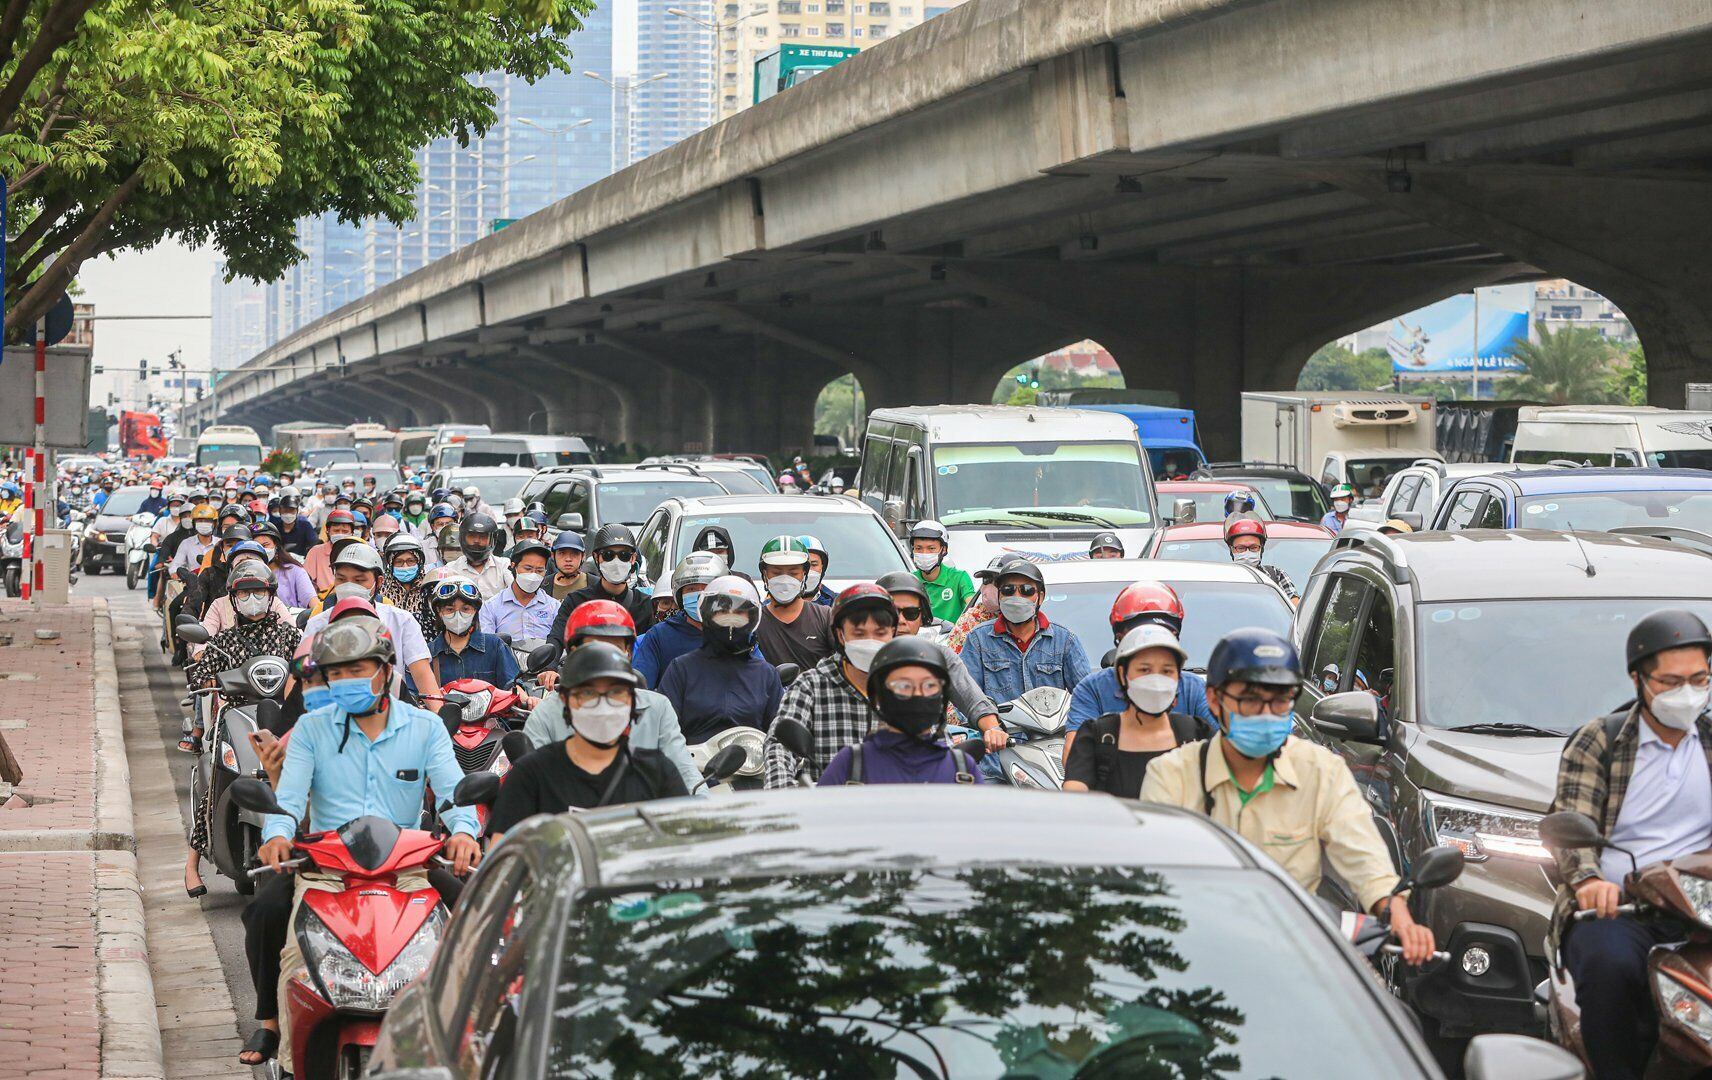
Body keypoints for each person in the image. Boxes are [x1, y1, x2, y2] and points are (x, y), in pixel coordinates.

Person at [247, 616, 480, 1072]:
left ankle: (466, 1052)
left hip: (409, 870)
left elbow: (454, 794)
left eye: (358, 670)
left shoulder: (426, 728)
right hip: (326, 874)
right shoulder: (312, 730)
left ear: (386, 669)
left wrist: (465, 832)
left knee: (473, 939)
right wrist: (276, 836)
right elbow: (289, 799)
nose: (345, 681)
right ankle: (293, 1063)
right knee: (297, 959)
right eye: (336, 673)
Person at [1140, 627, 1435, 967]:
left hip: (1291, 958)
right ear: (1214, 699)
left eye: (1280, 701)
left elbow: (1365, 859)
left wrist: (1399, 915)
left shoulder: (1321, 771)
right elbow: (1157, 883)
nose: (1266, 714)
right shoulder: (1170, 776)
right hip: (1197, 956)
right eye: (1250, 700)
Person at [1545, 610, 1712, 1080]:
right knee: (1608, 968)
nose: (1688, 692)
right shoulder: (1600, 741)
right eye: (1672, 681)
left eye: (1699, 679)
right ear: (1638, 679)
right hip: (1621, 912)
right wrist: (1589, 880)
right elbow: (1569, 822)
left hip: (1702, 907)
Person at [181, 562, 301, 898]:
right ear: (233, 599)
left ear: (270, 595)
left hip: (284, 715)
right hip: (235, 715)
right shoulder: (224, 641)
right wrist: (204, 680)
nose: (252, 598)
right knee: (218, 781)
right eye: (244, 592)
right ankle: (191, 863)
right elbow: (200, 674)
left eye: (258, 591)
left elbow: (310, 669)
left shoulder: (290, 636)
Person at [489, 643, 688, 840]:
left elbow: (688, 843)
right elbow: (502, 857)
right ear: (566, 700)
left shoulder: (659, 771)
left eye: (616, 692)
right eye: (588, 693)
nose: (602, 705)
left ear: (631, 702)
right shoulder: (532, 774)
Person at [521, 601, 700, 791]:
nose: (604, 656)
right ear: (573, 652)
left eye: (614, 647)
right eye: (595, 646)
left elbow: (686, 775)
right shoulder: (547, 714)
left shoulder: (657, 709)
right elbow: (530, 786)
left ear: (628, 654)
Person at [762, 584, 897, 788]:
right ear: (841, 635)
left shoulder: (907, 687)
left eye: (880, 633)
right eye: (859, 634)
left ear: (893, 633)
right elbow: (779, 747)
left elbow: (937, 747)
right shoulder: (811, 686)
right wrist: (783, 796)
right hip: (827, 807)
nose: (870, 642)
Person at [1065, 582, 1214, 763]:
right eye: (1143, 668)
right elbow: (1075, 761)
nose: (1150, 644)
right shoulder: (1093, 689)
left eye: (1161, 634)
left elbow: (1223, 751)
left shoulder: (1194, 688)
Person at [1064, 623, 1208, 797]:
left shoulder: (1197, 733)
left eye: (1167, 670)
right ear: (1122, 675)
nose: (1156, 680)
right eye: (1144, 669)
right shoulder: (1095, 736)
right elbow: (1075, 796)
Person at [818, 636, 983, 786]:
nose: (918, 694)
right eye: (904, 686)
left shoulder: (962, 770)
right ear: (879, 696)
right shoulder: (850, 765)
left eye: (929, 685)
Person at [301, 543, 440, 704]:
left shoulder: (402, 620)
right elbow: (302, 679)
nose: (349, 586)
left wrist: (439, 718)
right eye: (341, 579)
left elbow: (422, 673)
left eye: (359, 580)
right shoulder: (318, 624)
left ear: (379, 582)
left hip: (391, 717)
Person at [877, 571, 1003, 749]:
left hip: (931, 761)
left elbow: (972, 699)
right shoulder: (857, 657)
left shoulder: (940, 657)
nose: (901, 620)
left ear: (923, 617)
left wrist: (993, 729)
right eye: (891, 612)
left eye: (911, 613)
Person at [658, 576, 784, 745]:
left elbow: (780, 737)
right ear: (708, 615)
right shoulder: (681, 669)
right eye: (722, 611)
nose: (731, 618)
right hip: (693, 766)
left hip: (753, 766)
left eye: (739, 612)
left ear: (752, 618)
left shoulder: (766, 674)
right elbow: (664, 732)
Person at [959, 560, 1091, 704]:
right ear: (999, 596)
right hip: (998, 726)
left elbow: (1087, 698)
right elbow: (966, 698)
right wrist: (988, 723)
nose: (1016, 596)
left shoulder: (1064, 640)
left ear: (1040, 597)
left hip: (1055, 726)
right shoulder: (978, 639)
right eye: (1008, 590)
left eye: (1026, 590)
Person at [546, 523, 655, 648]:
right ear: (596, 558)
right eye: (608, 555)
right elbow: (556, 638)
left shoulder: (645, 605)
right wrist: (550, 665)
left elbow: (654, 648)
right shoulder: (576, 601)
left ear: (633, 558)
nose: (616, 562)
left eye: (624, 555)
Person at [633, 551, 730, 687]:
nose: (700, 595)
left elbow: (759, 681)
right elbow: (640, 690)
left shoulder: (736, 633)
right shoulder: (659, 636)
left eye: (708, 588)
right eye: (691, 588)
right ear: (679, 595)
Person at [754, 534, 835, 671]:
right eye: (776, 572)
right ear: (765, 575)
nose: (785, 579)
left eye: (793, 573)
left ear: (804, 574)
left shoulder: (825, 617)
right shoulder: (754, 621)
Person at [426, 578, 522, 690]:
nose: (458, 615)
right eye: (450, 609)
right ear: (439, 611)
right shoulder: (428, 654)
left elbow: (513, 687)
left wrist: (528, 700)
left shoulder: (495, 646)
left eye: (465, 609)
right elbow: (414, 697)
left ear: (475, 610)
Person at [479, 540, 558, 640]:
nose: (533, 575)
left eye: (539, 571)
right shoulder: (491, 607)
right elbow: (486, 644)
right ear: (513, 566)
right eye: (527, 568)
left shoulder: (554, 608)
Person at [908, 519, 976, 624]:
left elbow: (973, 608)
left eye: (931, 548)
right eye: (918, 548)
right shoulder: (909, 581)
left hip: (951, 638)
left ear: (943, 550)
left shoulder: (959, 578)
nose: (924, 553)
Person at [437, 512, 513, 599]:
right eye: (472, 536)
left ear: (493, 540)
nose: (476, 541)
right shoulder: (451, 569)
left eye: (483, 536)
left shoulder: (504, 565)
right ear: (462, 538)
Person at [946, 555, 1012, 654]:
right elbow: (955, 664)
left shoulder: (1034, 625)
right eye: (985, 580)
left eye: (994, 581)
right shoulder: (971, 621)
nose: (985, 586)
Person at [1224, 517, 1298, 602]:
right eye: (1241, 548)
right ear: (1232, 549)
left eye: (1253, 547)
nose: (1247, 552)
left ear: (1261, 548)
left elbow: (1296, 609)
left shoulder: (1276, 575)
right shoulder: (1221, 579)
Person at [379, 533, 437, 640]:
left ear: (419, 562)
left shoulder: (430, 588)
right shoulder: (381, 590)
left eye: (410, 561)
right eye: (399, 562)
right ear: (391, 564)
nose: (405, 566)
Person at [302, 508, 356, 593]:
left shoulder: (358, 552)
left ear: (352, 533)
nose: (340, 534)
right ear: (328, 531)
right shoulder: (316, 552)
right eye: (336, 531)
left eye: (345, 531)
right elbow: (305, 582)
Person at [547, 530, 588, 600]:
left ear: (583, 556)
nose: (568, 559)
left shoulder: (594, 584)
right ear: (553, 555)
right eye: (562, 553)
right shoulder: (543, 586)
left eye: (575, 553)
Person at [798, 534, 836, 606]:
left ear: (822, 567)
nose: (808, 571)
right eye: (802, 565)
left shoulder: (838, 604)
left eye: (814, 565)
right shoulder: (771, 607)